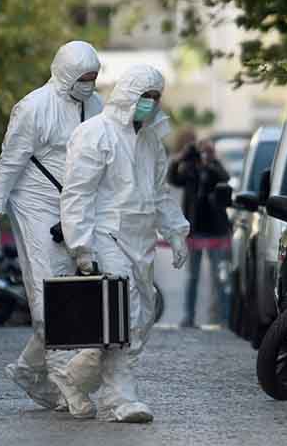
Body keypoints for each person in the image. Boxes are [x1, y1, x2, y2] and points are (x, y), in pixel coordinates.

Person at [55, 64, 189, 423]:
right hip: (106, 235)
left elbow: (159, 194)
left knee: (140, 320)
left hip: (141, 240)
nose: (151, 103)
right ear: (129, 95)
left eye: (156, 97)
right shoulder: (94, 134)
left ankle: (73, 378)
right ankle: (121, 398)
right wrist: (81, 246)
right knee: (124, 315)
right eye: (145, 96)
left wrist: (176, 232)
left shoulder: (150, 142)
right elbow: (77, 194)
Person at [0, 41, 103, 410]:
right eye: (84, 78)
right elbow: (9, 162)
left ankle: (28, 371)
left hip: (75, 206)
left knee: (77, 296)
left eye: (94, 78)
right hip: (35, 204)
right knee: (50, 296)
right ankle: (66, 385)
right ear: (66, 74)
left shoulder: (95, 106)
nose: (89, 85)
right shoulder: (34, 108)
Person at [168, 138, 231, 328]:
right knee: (192, 276)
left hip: (215, 231)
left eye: (208, 151)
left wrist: (212, 161)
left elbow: (225, 177)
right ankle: (189, 318)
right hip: (194, 231)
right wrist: (180, 158)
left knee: (218, 276)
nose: (204, 155)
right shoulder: (190, 170)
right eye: (202, 151)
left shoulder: (215, 169)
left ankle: (224, 319)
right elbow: (173, 179)